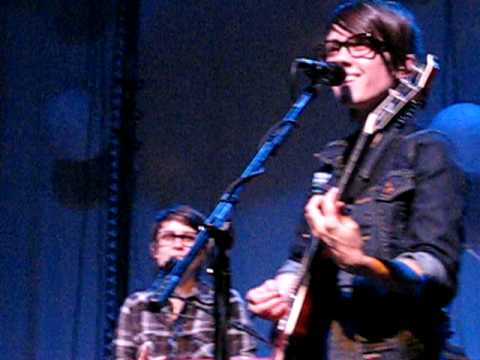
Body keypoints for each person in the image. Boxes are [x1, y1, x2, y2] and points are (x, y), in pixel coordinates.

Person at [246, 1, 465, 359]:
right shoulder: (331, 161)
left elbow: (437, 271)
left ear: (404, 67)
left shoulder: (429, 152)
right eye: (334, 48)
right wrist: (284, 287)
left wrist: (362, 263)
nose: (341, 58)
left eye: (359, 44)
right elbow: (301, 256)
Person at [114, 204, 256, 359]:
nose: (178, 245)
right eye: (168, 237)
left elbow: (244, 355)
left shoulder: (225, 300)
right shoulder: (136, 305)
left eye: (188, 238)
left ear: (203, 251)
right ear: (154, 250)